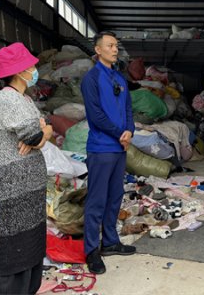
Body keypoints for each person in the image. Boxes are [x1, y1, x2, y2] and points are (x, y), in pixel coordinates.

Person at [0, 42, 53, 294]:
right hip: (15, 187)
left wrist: (44, 131)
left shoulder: (23, 98)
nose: (35, 69)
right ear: (19, 71)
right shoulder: (7, 99)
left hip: (29, 187)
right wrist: (41, 134)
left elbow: (43, 126)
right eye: (31, 65)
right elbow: (34, 136)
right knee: (13, 247)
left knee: (29, 245)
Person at [81, 31, 136, 274]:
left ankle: (111, 242)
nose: (115, 50)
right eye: (110, 46)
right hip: (102, 147)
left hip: (120, 148)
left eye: (116, 46)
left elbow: (128, 109)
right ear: (98, 50)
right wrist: (119, 133)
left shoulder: (119, 78)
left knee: (115, 196)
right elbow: (96, 115)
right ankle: (91, 250)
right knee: (97, 200)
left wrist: (130, 131)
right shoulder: (91, 79)